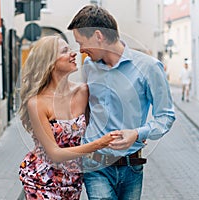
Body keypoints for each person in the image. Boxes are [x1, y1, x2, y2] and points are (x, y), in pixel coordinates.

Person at [67, 5, 176, 199]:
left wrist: (137, 133)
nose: (81, 50)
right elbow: (88, 108)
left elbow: (166, 116)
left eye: (81, 42)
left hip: (131, 167)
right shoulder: (89, 66)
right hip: (95, 165)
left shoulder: (149, 67)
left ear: (99, 36)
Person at [18, 35, 121, 200]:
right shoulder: (36, 103)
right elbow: (55, 153)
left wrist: (132, 133)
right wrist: (98, 144)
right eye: (65, 51)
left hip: (72, 181)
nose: (73, 54)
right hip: (42, 181)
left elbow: (101, 123)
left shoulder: (84, 92)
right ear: (50, 62)